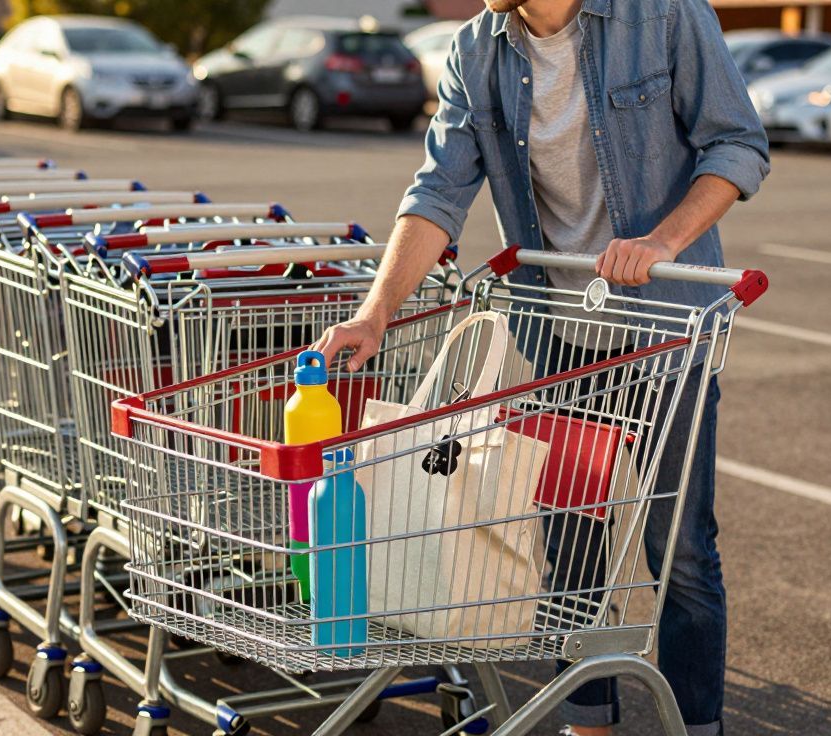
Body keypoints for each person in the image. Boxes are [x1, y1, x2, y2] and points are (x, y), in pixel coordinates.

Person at [313, 0, 768, 734]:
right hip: (560, 337)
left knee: (678, 550)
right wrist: (375, 312)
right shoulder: (478, 51)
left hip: (668, 330)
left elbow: (738, 145)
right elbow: (437, 193)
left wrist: (663, 240)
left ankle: (699, 728)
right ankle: (587, 724)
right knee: (571, 543)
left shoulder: (662, 16)